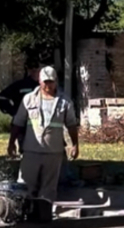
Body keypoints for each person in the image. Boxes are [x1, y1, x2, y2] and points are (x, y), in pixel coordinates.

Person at [8, 66, 79, 202]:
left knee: (49, 188)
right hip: (31, 151)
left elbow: (71, 125)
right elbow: (18, 123)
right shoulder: (28, 99)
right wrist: (11, 143)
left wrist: (75, 145)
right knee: (25, 185)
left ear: (56, 82)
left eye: (51, 81)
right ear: (40, 81)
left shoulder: (65, 102)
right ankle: (24, 212)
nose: (48, 85)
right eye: (45, 81)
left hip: (54, 153)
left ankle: (44, 214)